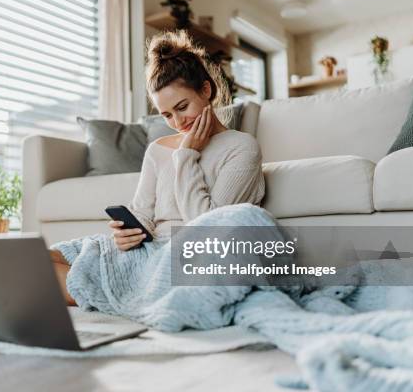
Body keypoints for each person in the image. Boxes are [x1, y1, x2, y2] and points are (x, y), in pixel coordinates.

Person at [49, 30, 265, 306]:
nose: (178, 122)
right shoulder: (158, 149)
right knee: (38, 258)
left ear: (206, 90)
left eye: (182, 106)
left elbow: (209, 228)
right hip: (146, 249)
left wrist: (187, 155)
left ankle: (106, 290)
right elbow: (142, 212)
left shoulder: (241, 147)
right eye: (166, 115)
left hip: (179, 256)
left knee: (48, 276)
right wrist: (125, 234)